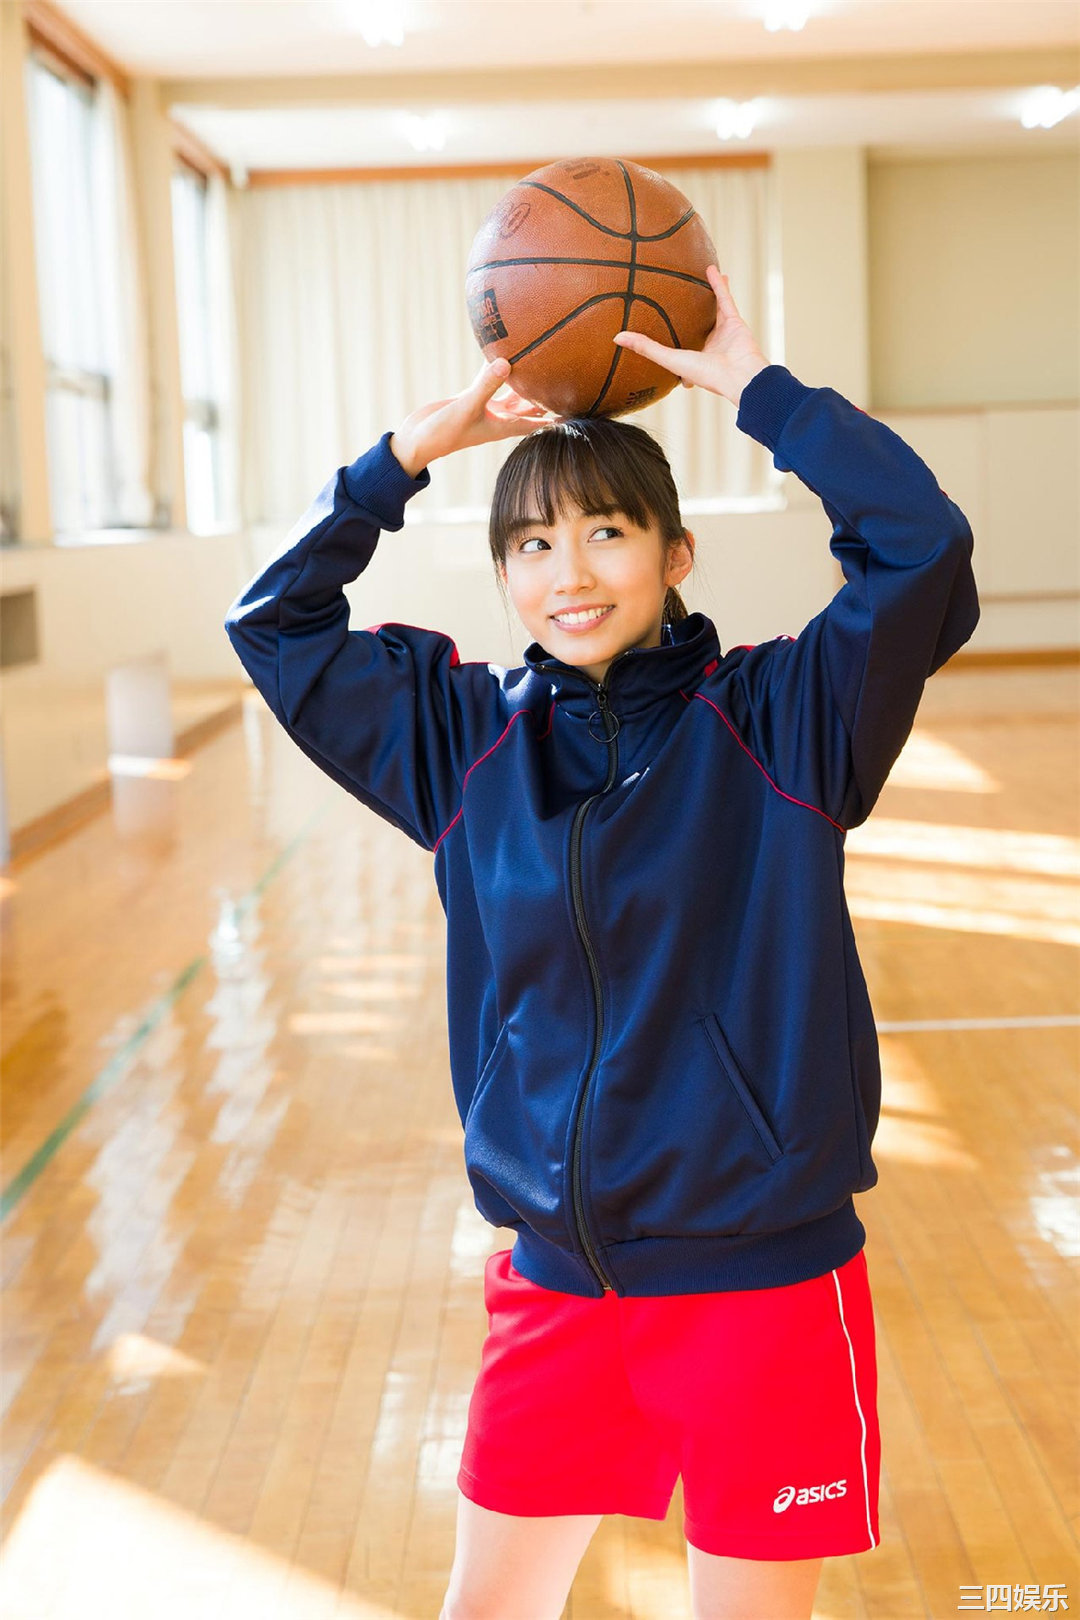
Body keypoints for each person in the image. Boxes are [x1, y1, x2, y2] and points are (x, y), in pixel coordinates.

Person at [224, 265, 980, 1620]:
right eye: (530, 546)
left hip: (760, 1282)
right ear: (502, 568)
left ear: (674, 553)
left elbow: (920, 548)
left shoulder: (790, 715)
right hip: (559, 1286)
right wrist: (405, 459)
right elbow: (273, 627)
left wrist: (767, 397)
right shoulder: (464, 744)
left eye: (608, 535)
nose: (567, 576)